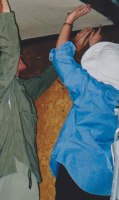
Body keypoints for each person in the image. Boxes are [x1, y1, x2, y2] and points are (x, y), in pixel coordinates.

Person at [0, 0, 58, 199]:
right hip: (14, 170)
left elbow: (45, 79)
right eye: (16, 54)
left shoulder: (19, 90)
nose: (21, 54)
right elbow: (11, 49)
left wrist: (72, 47)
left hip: (23, 171)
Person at [49, 4, 119, 200]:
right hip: (106, 182)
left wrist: (68, 21)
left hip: (77, 171)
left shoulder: (91, 90)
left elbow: (62, 58)